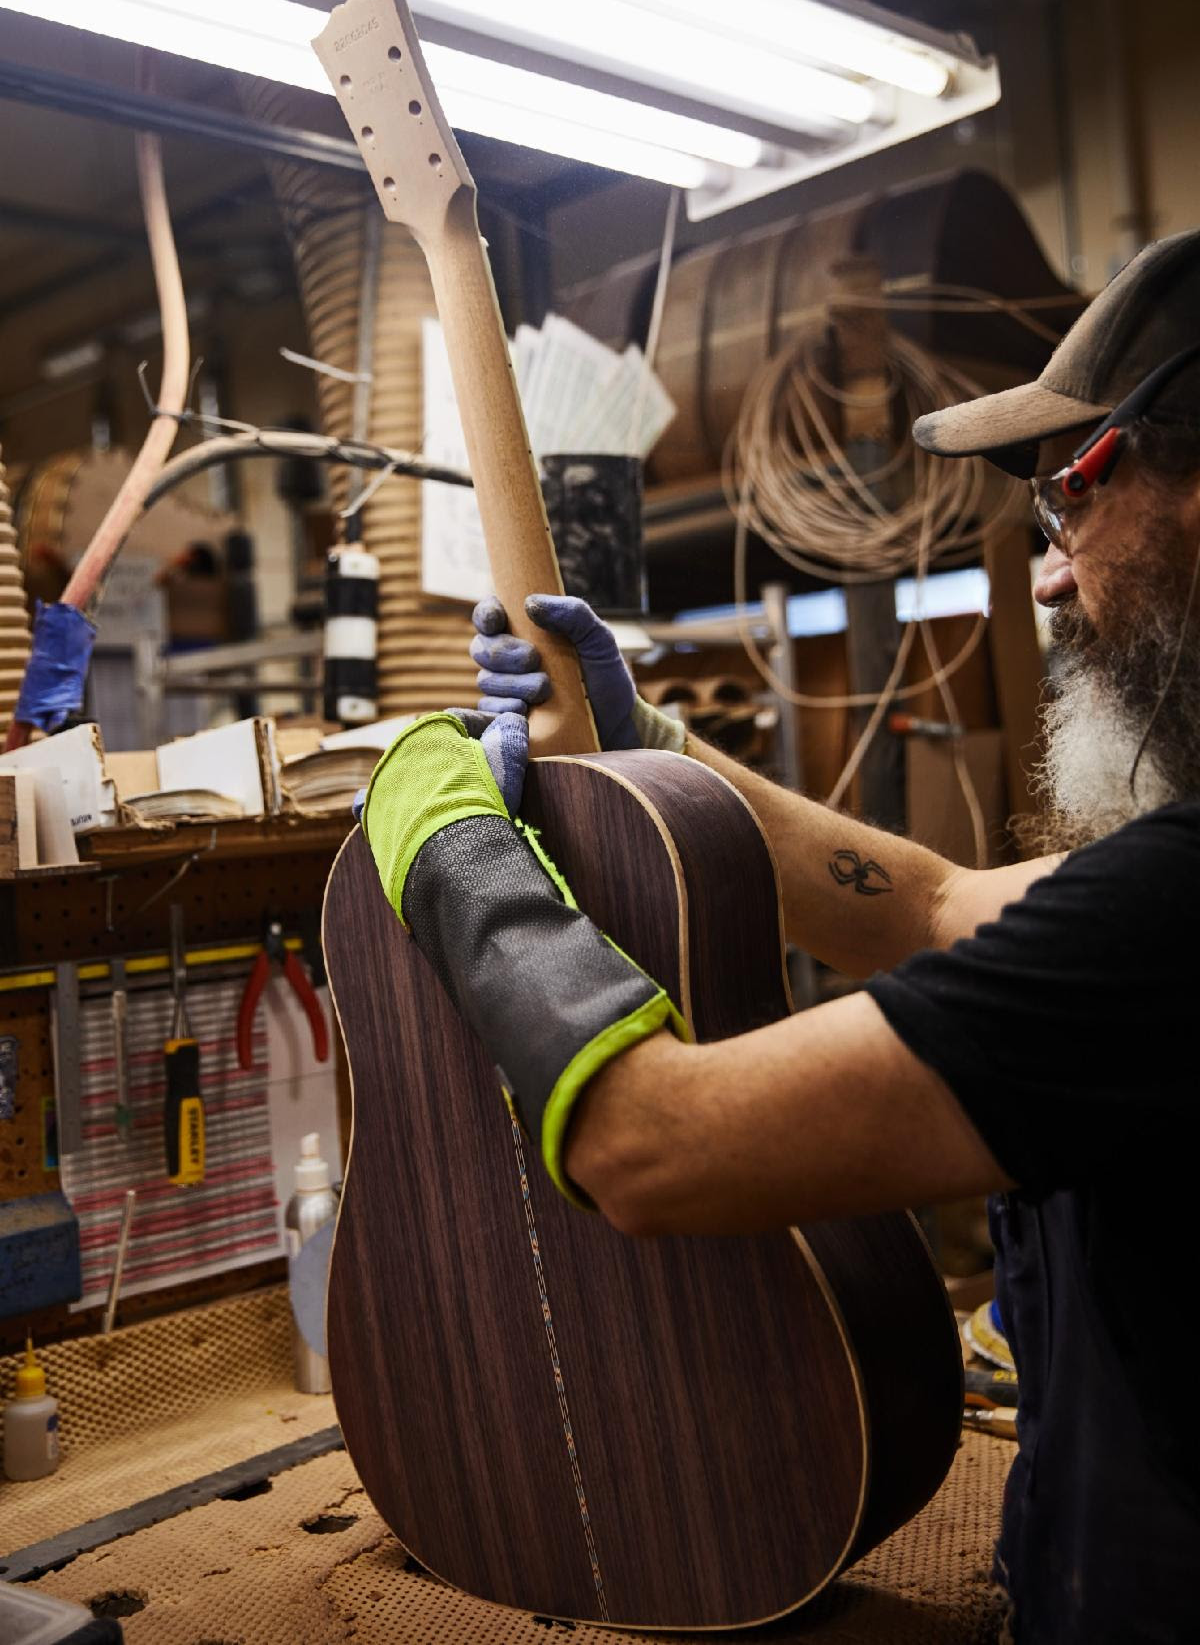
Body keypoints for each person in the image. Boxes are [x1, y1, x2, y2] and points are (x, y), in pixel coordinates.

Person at [358, 230, 1200, 1644]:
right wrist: (653, 748)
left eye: (1070, 497)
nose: (1046, 576)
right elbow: (932, 903)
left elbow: (655, 1140)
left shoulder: (1171, 915)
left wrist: (448, 848)